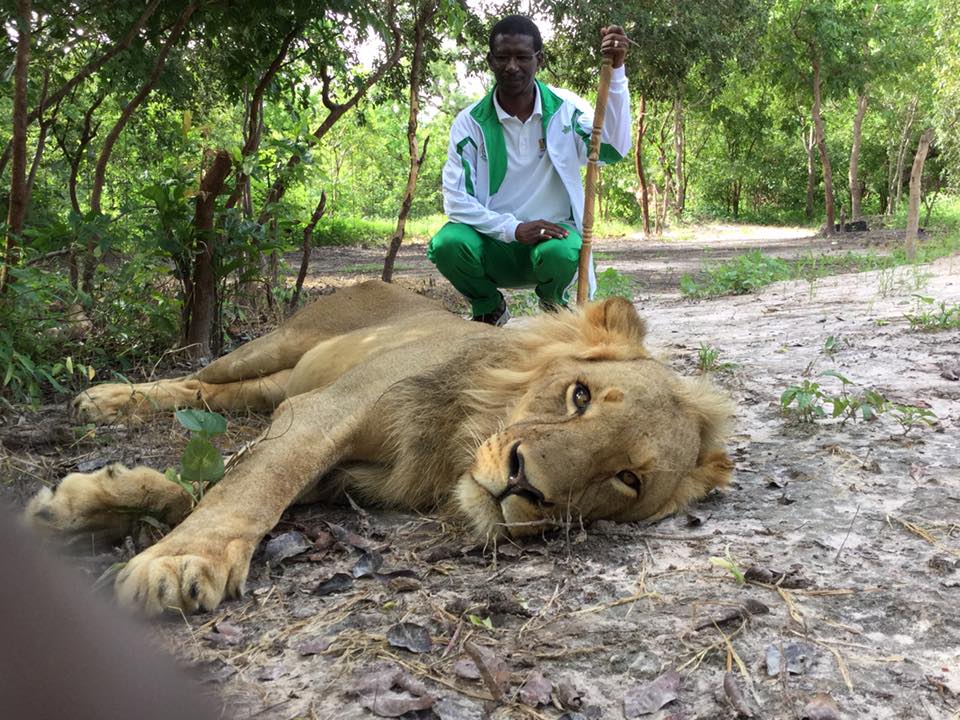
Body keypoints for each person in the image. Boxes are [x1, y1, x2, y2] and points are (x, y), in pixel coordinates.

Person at [428, 15, 631, 325]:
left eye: (522, 57)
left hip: (550, 244)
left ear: (540, 60)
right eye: (503, 57)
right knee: (447, 244)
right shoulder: (469, 122)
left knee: (562, 252)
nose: (512, 66)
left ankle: (556, 311)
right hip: (491, 243)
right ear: (490, 60)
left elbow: (614, 149)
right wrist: (513, 229)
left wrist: (616, 73)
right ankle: (489, 306)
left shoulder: (565, 109)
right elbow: (456, 202)